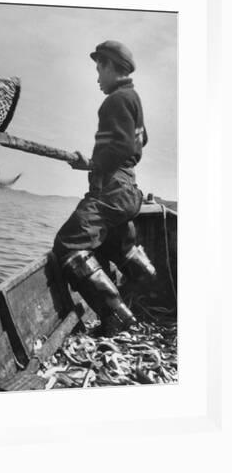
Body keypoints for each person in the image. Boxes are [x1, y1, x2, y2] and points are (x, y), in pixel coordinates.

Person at [53, 40, 156, 336]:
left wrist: (95, 162)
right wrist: (95, 161)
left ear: (111, 66)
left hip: (110, 190)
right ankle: (152, 294)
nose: (97, 76)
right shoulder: (132, 97)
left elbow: (122, 145)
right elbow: (139, 141)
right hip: (128, 189)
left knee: (68, 244)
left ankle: (118, 318)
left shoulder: (114, 100)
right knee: (116, 245)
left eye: (99, 68)